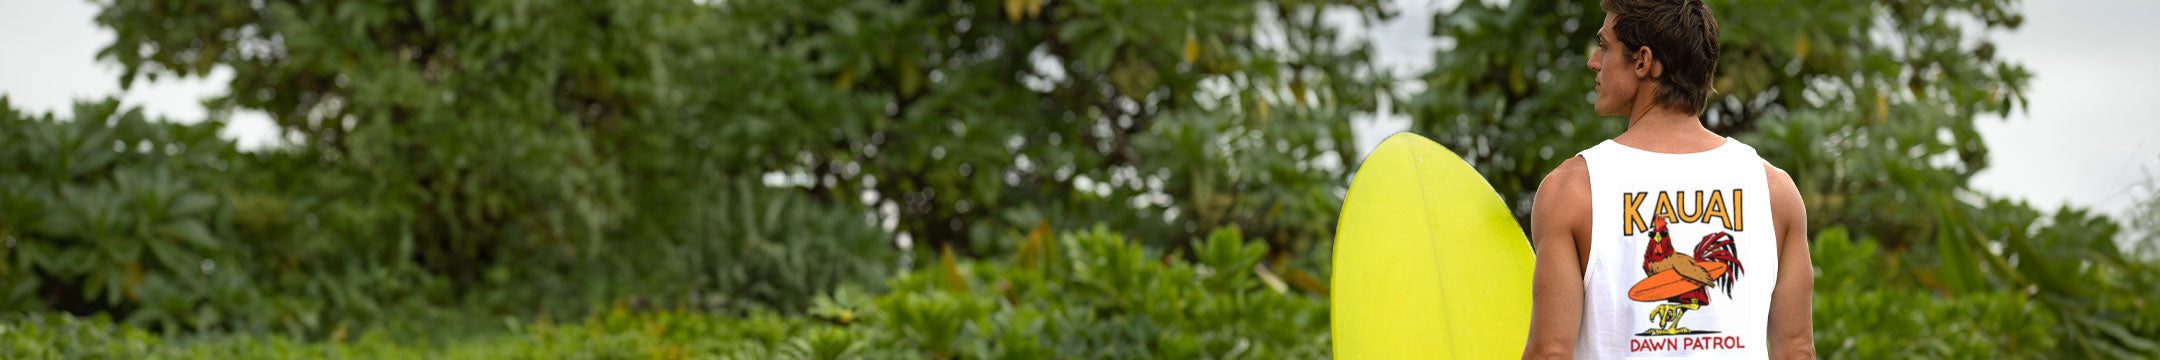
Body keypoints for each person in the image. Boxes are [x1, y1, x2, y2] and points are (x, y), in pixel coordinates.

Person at [1520, 0, 1814, 358]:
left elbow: (1550, 352)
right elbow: (1796, 350)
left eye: (1605, 46)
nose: (1593, 61)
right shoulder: (1774, 190)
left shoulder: (1573, 190)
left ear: (1643, 62)